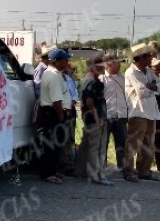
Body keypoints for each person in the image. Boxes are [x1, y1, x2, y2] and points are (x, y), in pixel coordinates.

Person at [123, 42, 160, 182]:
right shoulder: (131, 72)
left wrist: (151, 87)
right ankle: (128, 170)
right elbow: (141, 92)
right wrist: (151, 87)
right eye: (149, 56)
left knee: (148, 142)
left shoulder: (148, 72)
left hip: (150, 111)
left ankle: (144, 170)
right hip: (138, 111)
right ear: (141, 58)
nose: (151, 58)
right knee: (133, 142)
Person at [75, 55, 114, 185]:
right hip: (94, 120)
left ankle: (80, 171)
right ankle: (96, 176)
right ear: (92, 66)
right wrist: (99, 120)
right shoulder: (91, 81)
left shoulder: (92, 80)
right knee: (96, 148)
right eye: (99, 65)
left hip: (92, 119)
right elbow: (89, 102)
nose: (103, 67)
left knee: (86, 145)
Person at [37, 48, 72, 184]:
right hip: (53, 113)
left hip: (52, 113)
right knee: (52, 145)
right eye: (65, 60)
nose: (67, 62)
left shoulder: (53, 73)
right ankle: (48, 174)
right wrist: (61, 117)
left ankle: (51, 171)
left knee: (54, 144)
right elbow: (57, 101)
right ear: (56, 61)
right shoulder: (53, 76)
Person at [101, 53, 128, 170]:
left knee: (121, 141)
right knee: (103, 142)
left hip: (121, 115)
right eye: (117, 62)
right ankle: (102, 165)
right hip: (107, 115)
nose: (119, 65)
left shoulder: (123, 79)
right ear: (108, 64)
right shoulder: (101, 79)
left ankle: (122, 165)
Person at [60, 62, 79, 174]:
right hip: (63, 110)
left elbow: (75, 93)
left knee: (70, 138)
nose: (72, 71)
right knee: (63, 138)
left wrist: (73, 102)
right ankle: (64, 164)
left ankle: (69, 163)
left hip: (71, 110)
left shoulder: (68, 79)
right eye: (71, 69)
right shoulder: (57, 78)